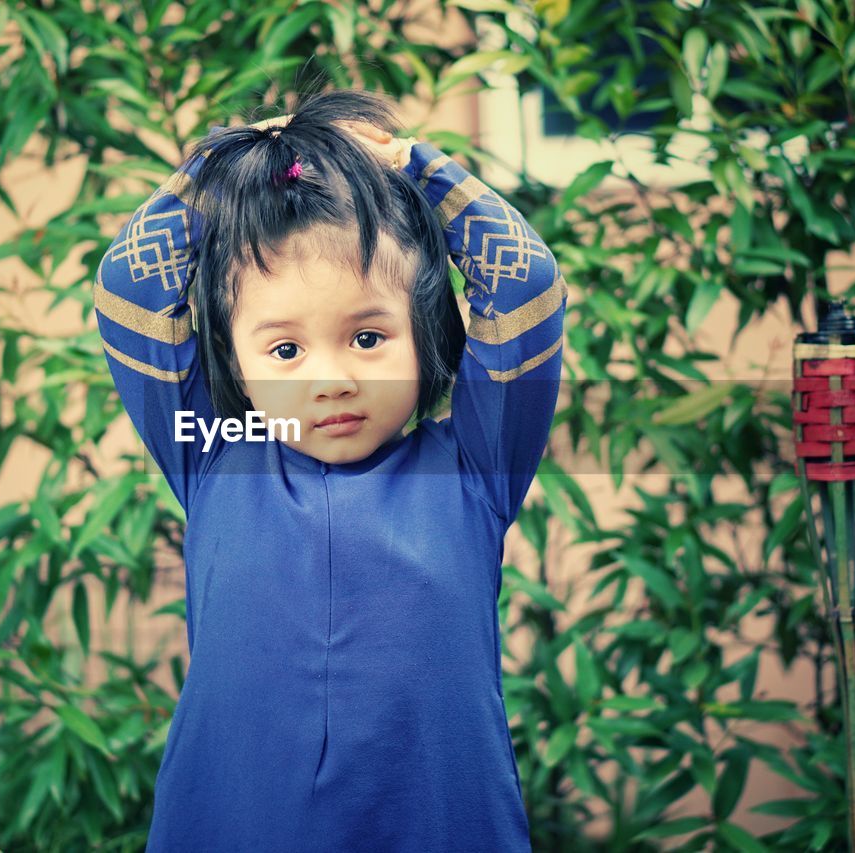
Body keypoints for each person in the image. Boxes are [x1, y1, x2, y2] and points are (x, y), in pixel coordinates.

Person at [92, 87, 567, 852]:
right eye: (285, 349)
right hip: (238, 823)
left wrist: (415, 166)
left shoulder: (475, 468)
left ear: (425, 330)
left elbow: (527, 289)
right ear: (239, 366)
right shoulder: (212, 456)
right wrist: (218, 167)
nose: (332, 378)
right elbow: (129, 290)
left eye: (369, 336)